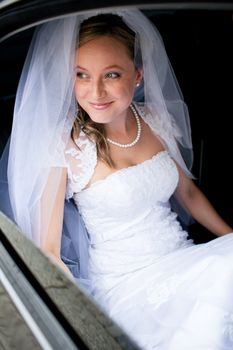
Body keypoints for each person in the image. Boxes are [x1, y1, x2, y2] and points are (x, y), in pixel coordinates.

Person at [1, 8, 233, 350]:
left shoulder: (155, 119)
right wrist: (78, 319)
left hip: (182, 257)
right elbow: (49, 251)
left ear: (137, 75)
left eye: (111, 74)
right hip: (128, 285)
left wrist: (230, 237)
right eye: (81, 74)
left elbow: (188, 193)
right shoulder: (66, 147)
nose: (95, 91)